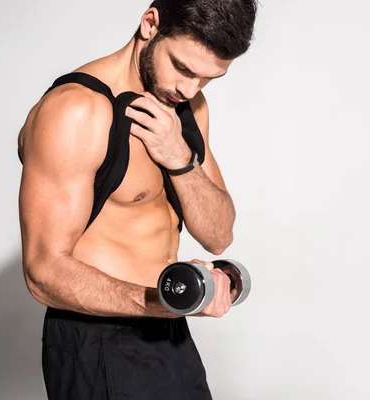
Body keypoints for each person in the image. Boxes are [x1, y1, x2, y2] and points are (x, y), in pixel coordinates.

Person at [17, 0, 258, 398]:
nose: (190, 88)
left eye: (209, 78)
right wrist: (168, 301)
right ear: (150, 24)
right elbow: (43, 272)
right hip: (96, 341)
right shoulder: (77, 111)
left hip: (169, 329)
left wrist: (180, 159)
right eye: (183, 67)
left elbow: (219, 234)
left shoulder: (188, 106)